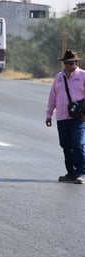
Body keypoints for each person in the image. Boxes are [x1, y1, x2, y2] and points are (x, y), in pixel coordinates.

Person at [46, 50, 85, 184]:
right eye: (66, 63)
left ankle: (80, 173)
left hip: (77, 117)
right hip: (62, 117)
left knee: (78, 144)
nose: (67, 65)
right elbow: (53, 97)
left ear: (76, 62)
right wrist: (49, 114)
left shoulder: (83, 76)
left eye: (70, 63)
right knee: (66, 145)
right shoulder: (58, 77)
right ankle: (71, 173)